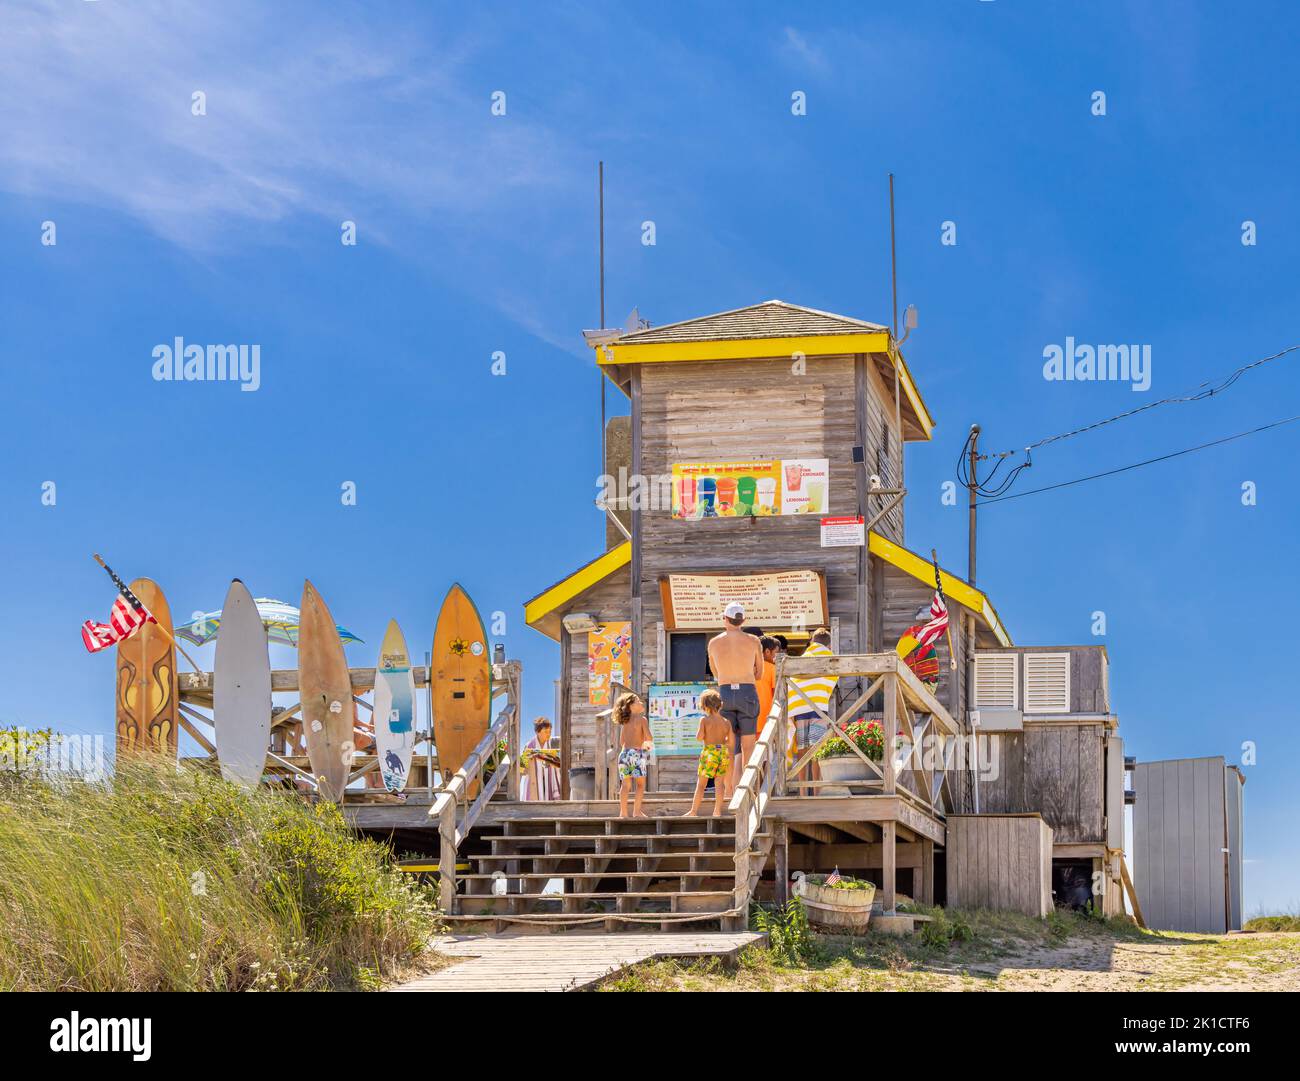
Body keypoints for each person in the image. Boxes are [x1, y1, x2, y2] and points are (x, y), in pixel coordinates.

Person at [707, 602, 764, 794]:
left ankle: (729, 791)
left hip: (724, 693)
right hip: (747, 691)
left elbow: (715, 672)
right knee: (748, 746)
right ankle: (748, 790)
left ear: (725, 619)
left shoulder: (714, 642)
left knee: (728, 746)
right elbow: (759, 674)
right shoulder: (754, 640)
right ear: (743, 620)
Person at [790, 626, 836, 783]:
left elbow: (793, 680)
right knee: (817, 750)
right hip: (819, 708)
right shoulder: (830, 657)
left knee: (802, 751)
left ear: (812, 641)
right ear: (829, 644)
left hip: (799, 708)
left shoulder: (804, 656)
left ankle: (803, 791)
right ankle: (817, 789)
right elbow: (834, 678)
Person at [684, 689, 731, 817]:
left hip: (709, 752)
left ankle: (693, 811)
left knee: (701, 784)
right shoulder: (726, 722)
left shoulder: (704, 720)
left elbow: (699, 737)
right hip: (722, 752)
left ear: (705, 706)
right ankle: (717, 811)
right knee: (719, 784)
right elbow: (730, 741)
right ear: (719, 705)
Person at [613, 691, 653, 819]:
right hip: (637, 754)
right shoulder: (642, 719)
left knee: (625, 785)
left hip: (624, 754)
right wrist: (646, 745)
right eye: (638, 701)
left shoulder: (625, 722)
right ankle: (636, 812)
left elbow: (621, 742)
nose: (641, 703)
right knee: (640, 785)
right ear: (630, 706)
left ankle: (623, 813)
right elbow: (649, 737)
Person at [895, 604, 941, 693]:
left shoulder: (926, 640)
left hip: (926, 682)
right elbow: (899, 654)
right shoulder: (913, 633)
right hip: (912, 680)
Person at [519, 717, 562, 801]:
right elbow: (521, 766)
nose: (548, 734)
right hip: (534, 782)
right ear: (537, 732)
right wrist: (528, 769)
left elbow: (559, 761)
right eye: (545, 732)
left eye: (550, 731)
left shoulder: (552, 744)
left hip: (548, 780)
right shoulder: (529, 746)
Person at [756, 635, 779, 738]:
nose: (776, 656)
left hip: (749, 719)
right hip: (766, 718)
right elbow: (777, 694)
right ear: (767, 652)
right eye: (776, 653)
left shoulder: (749, 666)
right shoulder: (772, 668)